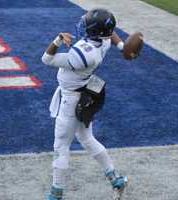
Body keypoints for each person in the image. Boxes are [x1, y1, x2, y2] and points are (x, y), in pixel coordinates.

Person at [42, 8, 130, 200]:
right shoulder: (104, 41)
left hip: (71, 99)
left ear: (94, 31)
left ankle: (56, 194)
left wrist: (57, 40)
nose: (83, 24)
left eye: (88, 23)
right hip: (87, 93)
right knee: (86, 138)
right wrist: (123, 46)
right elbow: (110, 32)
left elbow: (46, 59)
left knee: (61, 146)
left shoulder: (82, 55)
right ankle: (116, 179)